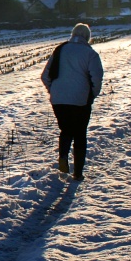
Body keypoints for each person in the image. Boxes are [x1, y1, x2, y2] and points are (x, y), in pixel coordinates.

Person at [41, 23, 103, 181]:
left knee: (66, 130)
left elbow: (45, 75)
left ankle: (63, 158)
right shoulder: (90, 54)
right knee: (80, 134)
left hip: (59, 100)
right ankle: (78, 173)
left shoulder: (60, 50)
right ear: (87, 37)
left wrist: (53, 90)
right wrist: (91, 95)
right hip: (80, 100)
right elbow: (97, 78)